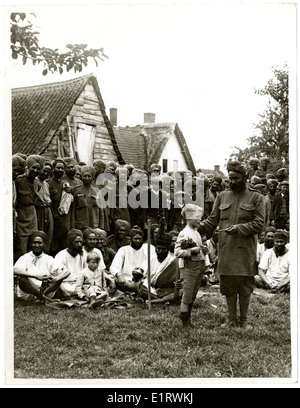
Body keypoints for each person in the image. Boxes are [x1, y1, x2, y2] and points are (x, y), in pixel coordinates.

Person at [198, 160, 265, 330]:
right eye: (230, 178)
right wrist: (197, 227)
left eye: (236, 178)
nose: (232, 181)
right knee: (227, 285)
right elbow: (213, 220)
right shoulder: (222, 196)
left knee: (244, 286)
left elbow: (259, 224)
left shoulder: (256, 197)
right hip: (226, 249)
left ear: (245, 177)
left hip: (244, 251)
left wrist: (239, 228)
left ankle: (243, 321)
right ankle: (230, 319)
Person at [13, 231, 70, 303]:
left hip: (46, 291)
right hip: (28, 293)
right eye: (34, 243)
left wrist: (55, 278)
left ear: (44, 245)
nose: (37, 245)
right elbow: (15, 270)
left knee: (60, 276)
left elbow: (67, 272)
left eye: (39, 243)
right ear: (31, 244)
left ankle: (41, 298)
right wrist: (35, 276)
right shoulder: (25, 257)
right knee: (23, 279)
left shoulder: (48, 258)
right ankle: (45, 299)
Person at [174, 204, 207, 329]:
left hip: (199, 265)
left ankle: (189, 319)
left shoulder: (196, 233)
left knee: (193, 294)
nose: (200, 220)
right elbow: (177, 252)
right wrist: (191, 251)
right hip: (189, 266)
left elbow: (201, 249)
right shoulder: (184, 233)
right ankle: (184, 320)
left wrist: (204, 250)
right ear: (188, 217)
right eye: (197, 217)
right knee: (187, 294)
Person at [14, 155, 45, 262]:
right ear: (27, 167)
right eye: (33, 167)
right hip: (21, 219)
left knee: (33, 249)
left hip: (32, 219)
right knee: (21, 250)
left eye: (38, 168)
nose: (35, 170)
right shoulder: (18, 181)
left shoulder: (37, 184)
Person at [109, 226, 155, 292]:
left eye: (139, 239)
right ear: (130, 239)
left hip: (143, 280)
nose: (138, 241)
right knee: (117, 281)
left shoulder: (148, 248)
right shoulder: (123, 250)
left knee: (146, 284)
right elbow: (114, 267)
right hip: (126, 280)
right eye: (135, 239)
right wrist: (119, 275)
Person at [48, 159, 74, 255]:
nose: (60, 170)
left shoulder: (65, 183)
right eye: (58, 168)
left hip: (64, 221)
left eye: (62, 168)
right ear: (53, 169)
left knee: (63, 245)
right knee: (52, 244)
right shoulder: (48, 183)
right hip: (53, 219)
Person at [54, 229, 85, 299]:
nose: (79, 245)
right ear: (70, 243)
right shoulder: (60, 256)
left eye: (81, 242)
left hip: (80, 284)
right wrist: (63, 290)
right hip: (65, 285)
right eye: (76, 242)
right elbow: (57, 277)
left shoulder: (83, 255)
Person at [73, 165, 102, 231]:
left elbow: (101, 210)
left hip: (94, 224)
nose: (87, 178)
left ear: (93, 178)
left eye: (89, 176)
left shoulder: (97, 191)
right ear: (81, 177)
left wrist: (101, 226)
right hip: (80, 225)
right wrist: (73, 226)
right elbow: (73, 210)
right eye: (85, 176)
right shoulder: (76, 190)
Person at [35, 161, 54, 253]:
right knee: (39, 232)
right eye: (44, 171)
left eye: (48, 172)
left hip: (47, 209)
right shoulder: (34, 182)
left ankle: (45, 253)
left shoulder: (46, 184)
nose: (45, 174)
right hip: (38, 210)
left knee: (49, 232)